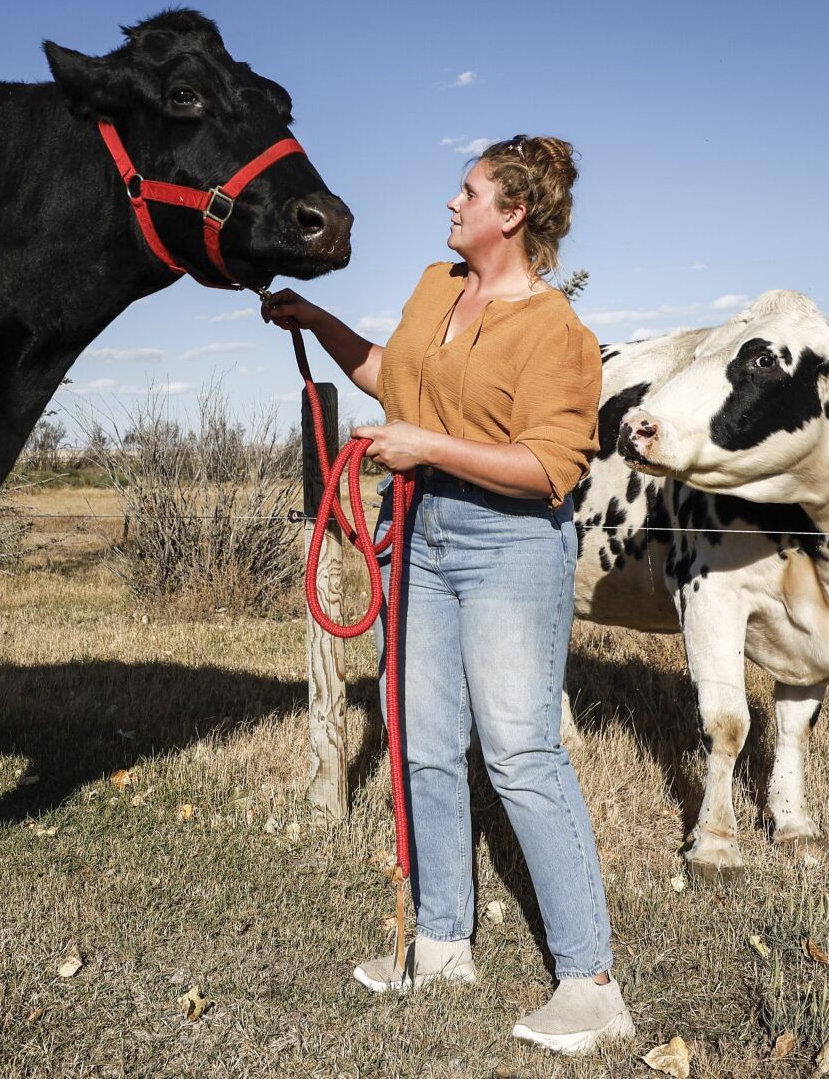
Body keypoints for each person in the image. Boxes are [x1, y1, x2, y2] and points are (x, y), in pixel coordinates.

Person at [263, 135, 633, 1056]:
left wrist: (426, 449)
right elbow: (395, 379)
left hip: (509, 545)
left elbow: (549, 465)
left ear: (511, 214)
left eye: (466, 193)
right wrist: (317, 322)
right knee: (424, 744)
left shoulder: (556, 332)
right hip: (419, 534)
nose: (449, 205)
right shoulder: (438, 286)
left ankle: (589, 984)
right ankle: (438, 941)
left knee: (518, 753)